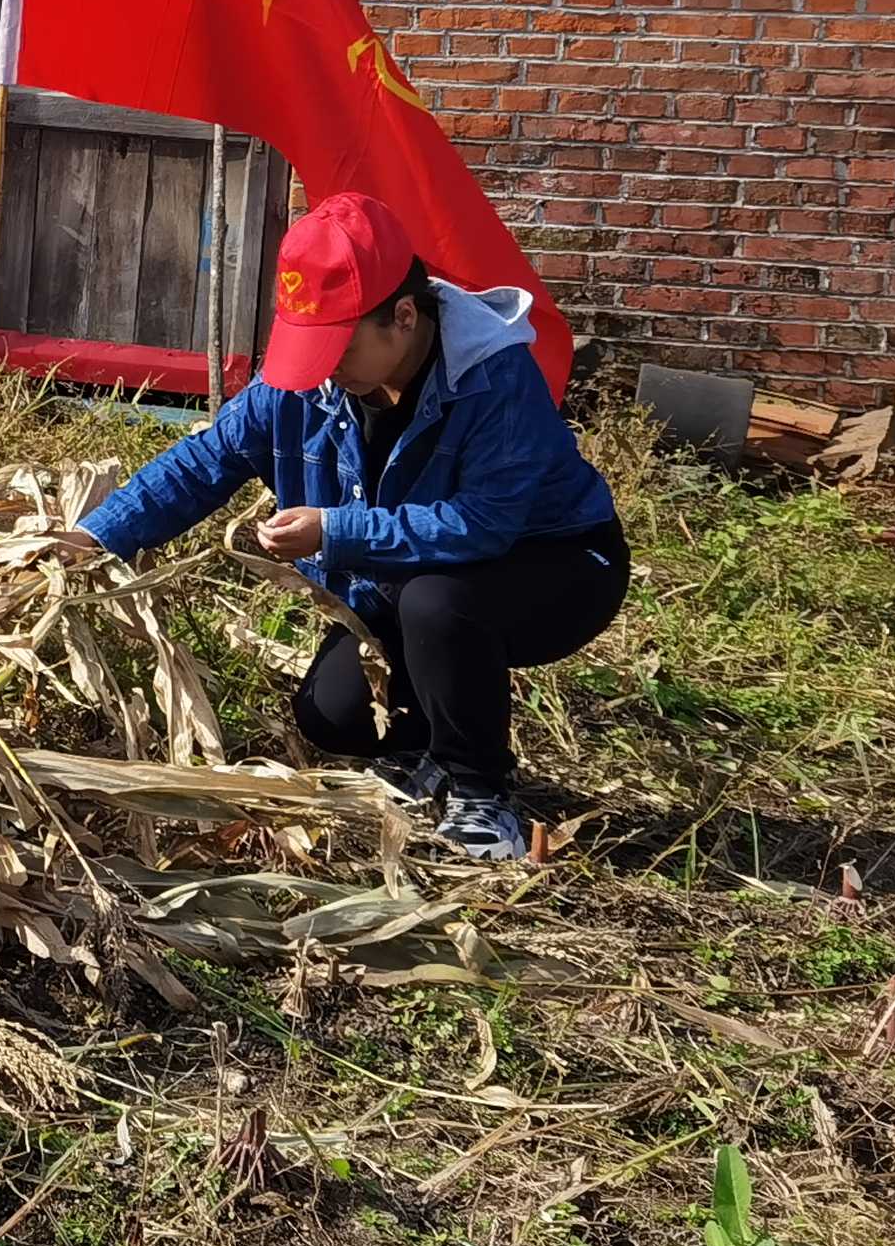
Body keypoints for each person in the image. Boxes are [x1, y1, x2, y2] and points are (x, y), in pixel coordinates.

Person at [74, 191, 626, 862]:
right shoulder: (304, 382)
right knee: (334, 716)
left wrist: (337, 531)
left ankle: (479, 787)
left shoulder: (494, 378)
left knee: (439, 602)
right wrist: (97, 536)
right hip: (406, 582)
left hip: (554, 569)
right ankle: (419, 750)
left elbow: (482, 525)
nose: (322, 367)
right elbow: (205, 461)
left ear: (402, 317)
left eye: (337, 345)